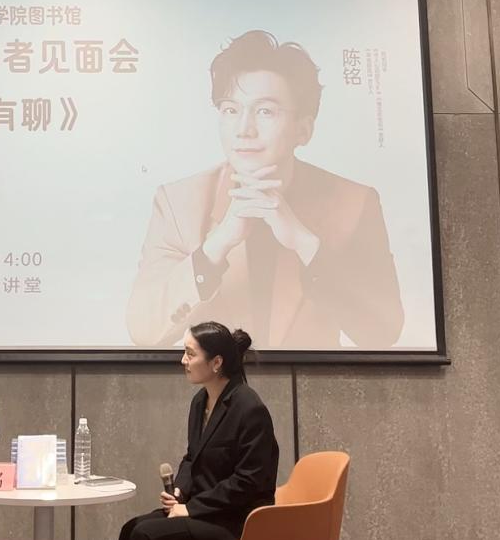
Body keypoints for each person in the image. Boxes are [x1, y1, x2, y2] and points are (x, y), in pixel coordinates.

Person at [126, 29, 404, 350]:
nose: (244, 130)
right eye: (231, 110)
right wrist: (216, 247)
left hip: (312, 379)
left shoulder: (354, 202)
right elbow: (143, 331)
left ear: (303, 129)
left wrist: (305, 244)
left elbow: (383, 333)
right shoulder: (179, 202)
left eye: (265, 111)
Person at [120, 323, 278, 540]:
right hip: (204, 509)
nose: (183, 360)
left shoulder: (249, 408)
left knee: (145, 534)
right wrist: (180, 490)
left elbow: (248, 482)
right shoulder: (199, 402)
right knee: (131, 528)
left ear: (216, 363)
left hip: (235, 519)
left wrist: (191, 508)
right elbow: (192, 458)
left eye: (190, 354)